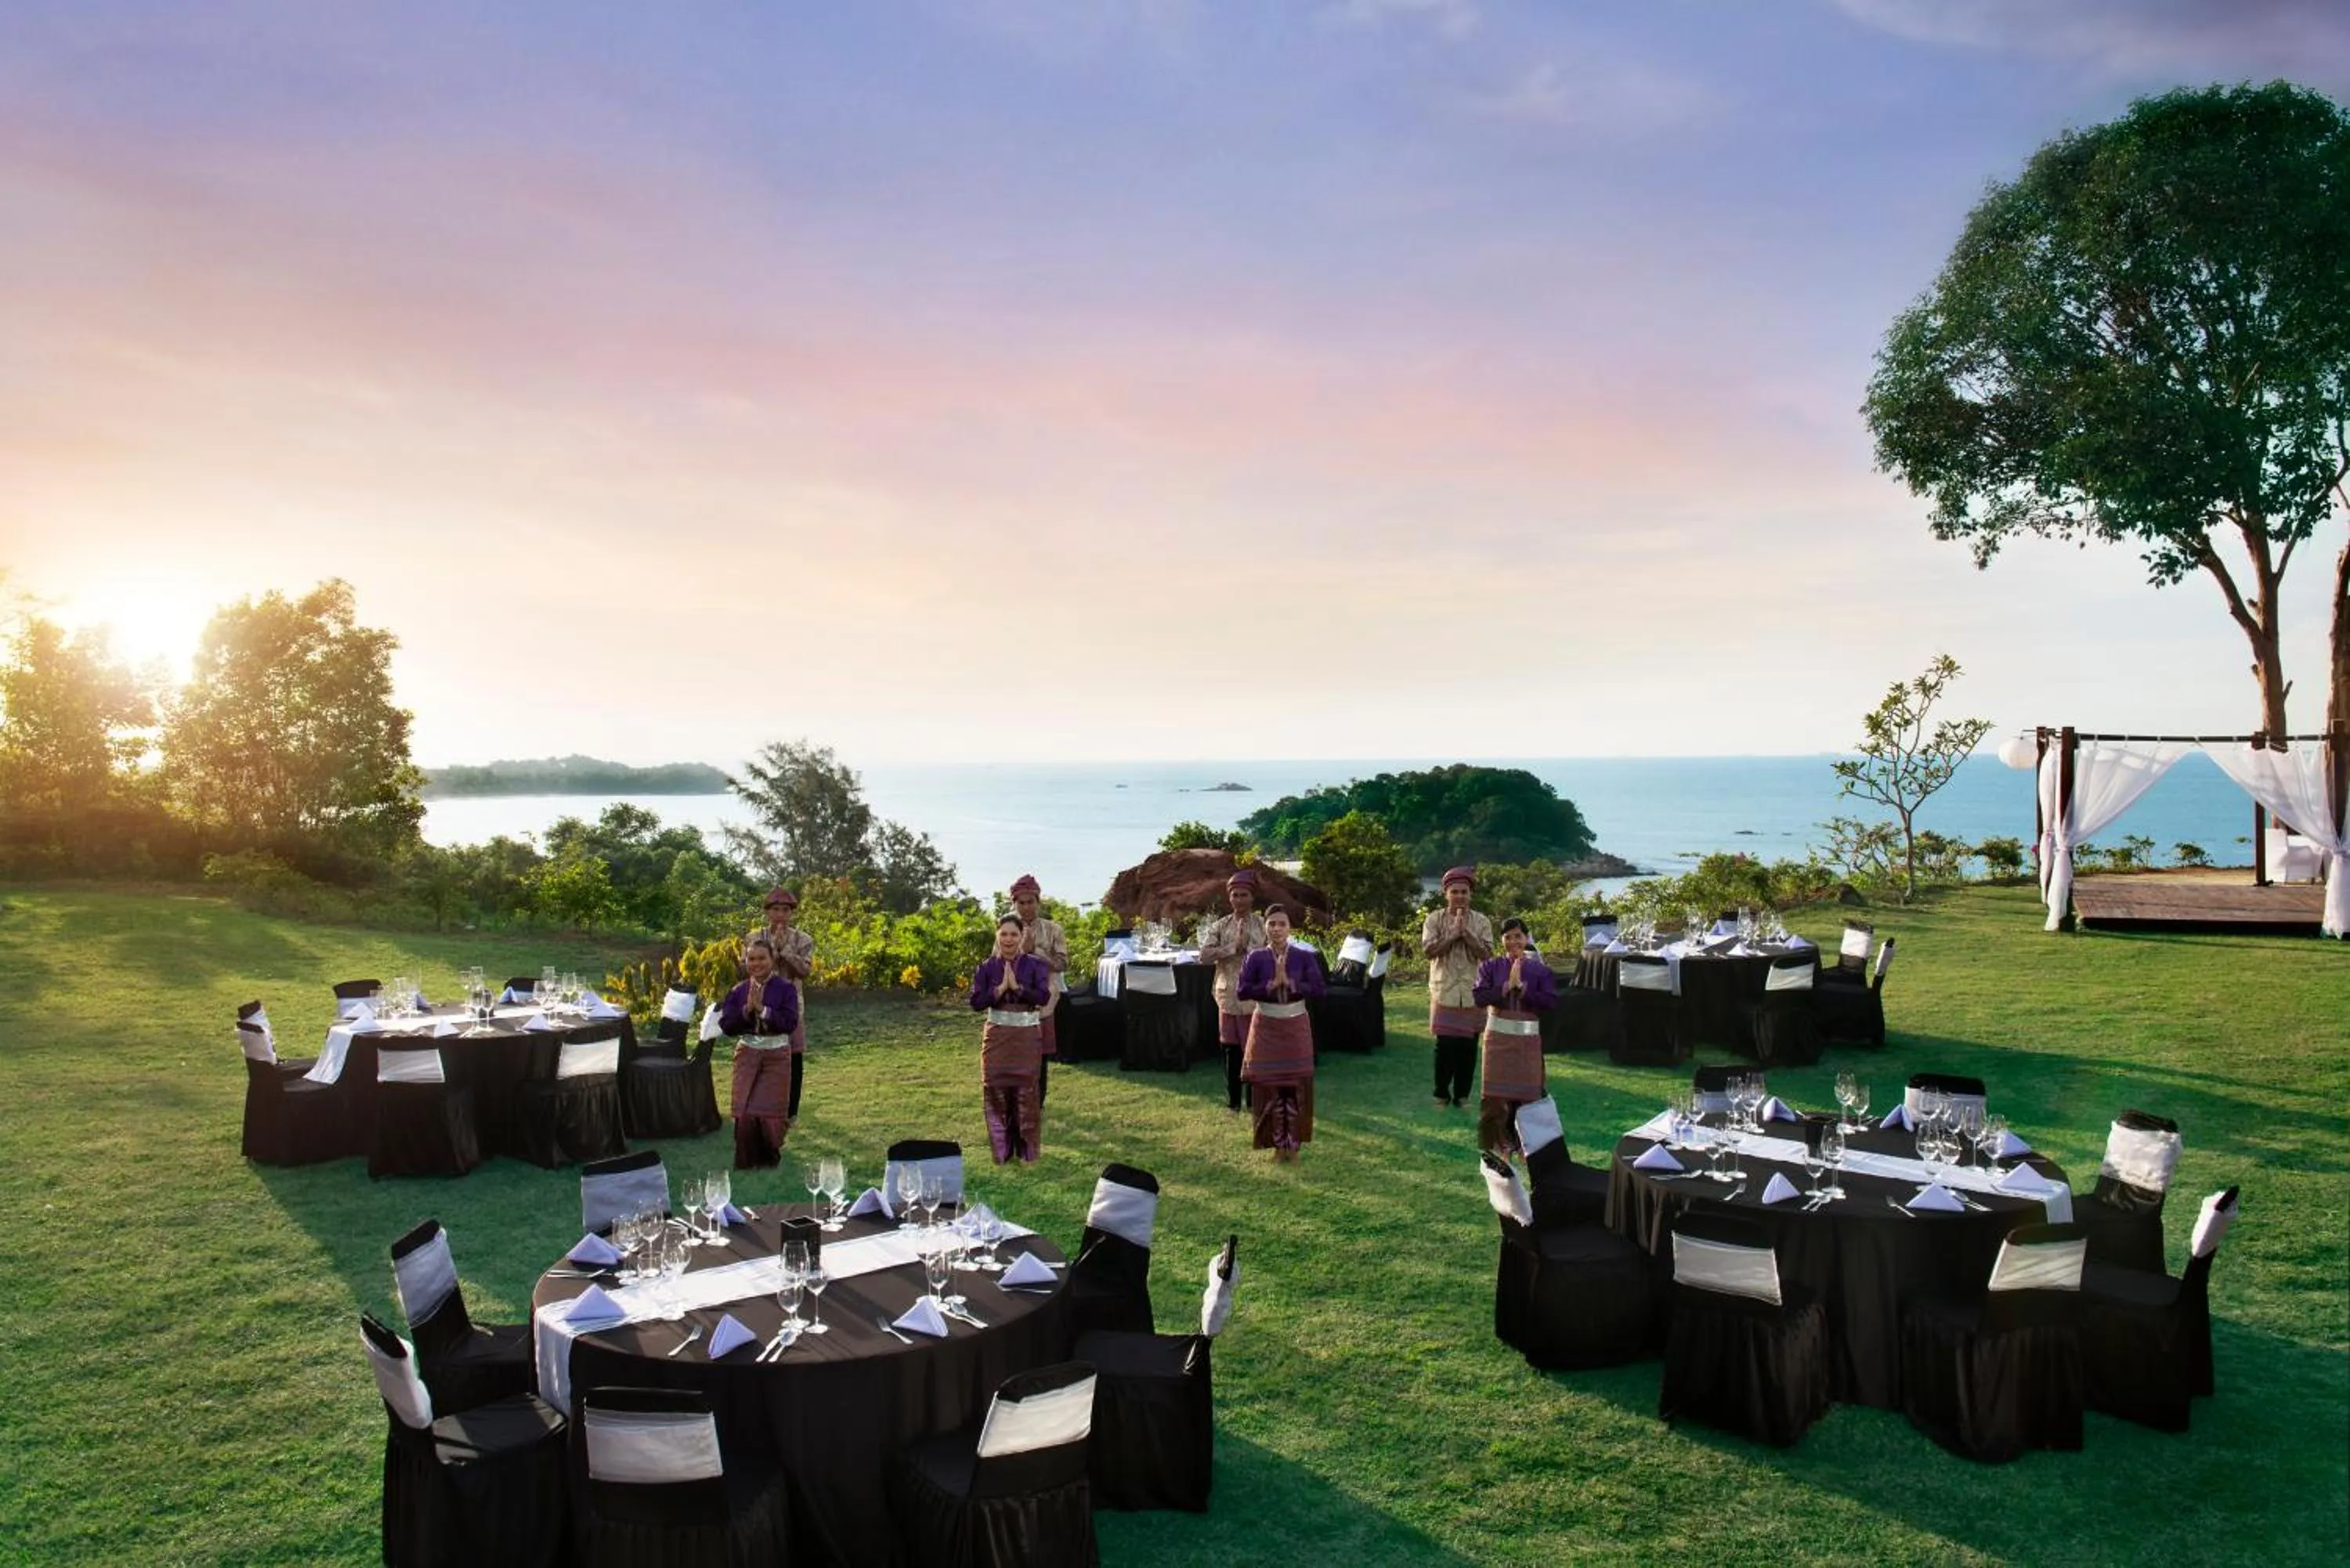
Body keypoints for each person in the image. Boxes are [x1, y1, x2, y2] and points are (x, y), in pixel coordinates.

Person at [1236, 904, 1325, 1163]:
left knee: (1295, 1088)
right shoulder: (1255, 958)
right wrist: (1270, 985)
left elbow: (1319, 990)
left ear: (1290, 928)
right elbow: (1242, 991)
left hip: (1295, 1026)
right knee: (1269, 1089)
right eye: (1272, 923)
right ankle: (1277, 1146)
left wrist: (1292, 984)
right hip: (1266, 1026)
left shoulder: (1304, 957)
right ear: (1265, 927)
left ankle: (1294, 1147)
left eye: (1282, 924)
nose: (1277, 929)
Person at [969, 914, 1053, 1164]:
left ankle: (1027, 1152)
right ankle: (1002, 1152)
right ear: (997, 936)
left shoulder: (1036, 965)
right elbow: (976, 1002)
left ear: (1022, 937)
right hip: (996, 1040)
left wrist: (1017, 988)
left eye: (1014, 934)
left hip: (1026, 1039)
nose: (1008, 939)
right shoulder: (986, 967)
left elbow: (1043, 997)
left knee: (1026, 1093)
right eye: (1004, 934)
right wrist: (999, 990)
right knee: (994, 1090)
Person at [1472, 919, 1558, 1156]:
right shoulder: (1489, 967)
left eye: (1518, 936)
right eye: (1508, 936)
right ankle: (1495, 1144)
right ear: (1502, 940)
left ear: (1527, 939)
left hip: (1527, 1045)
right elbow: (1479, 998)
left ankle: (1525, 1143)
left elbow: (1551, 1002)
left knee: (1528, 1095)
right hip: (1497, 1042)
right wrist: (1504, 989)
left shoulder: (1541, 971)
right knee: (1494, 1096)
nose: (1513, 941)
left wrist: (1523, 989)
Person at [720, 934, 801, 1169]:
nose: (756, 964)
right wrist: (746, 1010)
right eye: (751, 959)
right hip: (747, 1053)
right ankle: (747, 1160)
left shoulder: (786, 989)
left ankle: (768, 1159)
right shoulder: (738, 990)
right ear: (746, 961)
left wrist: (764, 1010)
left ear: (772, 959)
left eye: (761, 958)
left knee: (769, 1112)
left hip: (777, 1055)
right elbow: (727, 1026)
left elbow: (789, 1023)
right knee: (744, 1108)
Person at [1195, 868, 1268, 1114]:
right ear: (1229, 897)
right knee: (1230, 1049)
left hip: (1255, 997)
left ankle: (1254, 1100)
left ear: (1252, 897)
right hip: (1227, 996)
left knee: (1254, 1049)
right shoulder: (1220, 925)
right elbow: (1203, 956)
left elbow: (1275, 954)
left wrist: (1251, 953)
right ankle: (1233, 1103)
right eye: (1235, 895)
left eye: (1243, 895)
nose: (1239, 900)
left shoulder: (1262, 925)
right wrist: (1230, 949)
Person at [1422, 866, 1495, 1110]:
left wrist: (1468, 933)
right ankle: (1441, 1094)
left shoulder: (1481, 921)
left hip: (1473, 991)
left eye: (1464, 892)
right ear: (1446, 894)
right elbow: (1429, 951)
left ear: (1470, 894)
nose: (1460, 896)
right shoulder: (1434, 919)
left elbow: (1487, 954)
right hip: (1445, 990)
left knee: (1468, 1046)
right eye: (1455, 892)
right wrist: (1453, 934)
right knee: (1445, 1046)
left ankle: (1462, 1096)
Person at [746, 888, 817, 1125]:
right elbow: (747, 969)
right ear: (767, 912)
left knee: (793, 1058)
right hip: (760, 1003)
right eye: (775, 909)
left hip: (791, 1007)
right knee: (758, 1055)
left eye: (785, 910)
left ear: (791, 914)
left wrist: (785, 951)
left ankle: (791, 1113)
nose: (780, 915)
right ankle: (759, 1108)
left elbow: (805, 971)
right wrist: (772, 953)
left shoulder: (804, 940)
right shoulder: (753, 938)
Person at [1009, 874, 1068, 1098]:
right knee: (1014, 1049)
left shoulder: (1053, 930)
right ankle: (1017, 1097)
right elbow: (996, 961)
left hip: (1044, 998)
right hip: (1013, 998)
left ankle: (1038, 1099)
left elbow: (1062, 964)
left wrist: (1037, 952)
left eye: (1030, 902)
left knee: (1040, 1051)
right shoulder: (1006, 928)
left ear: (1038, 902)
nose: (1025, 908)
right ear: (1014, 904)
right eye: (1021, 903)